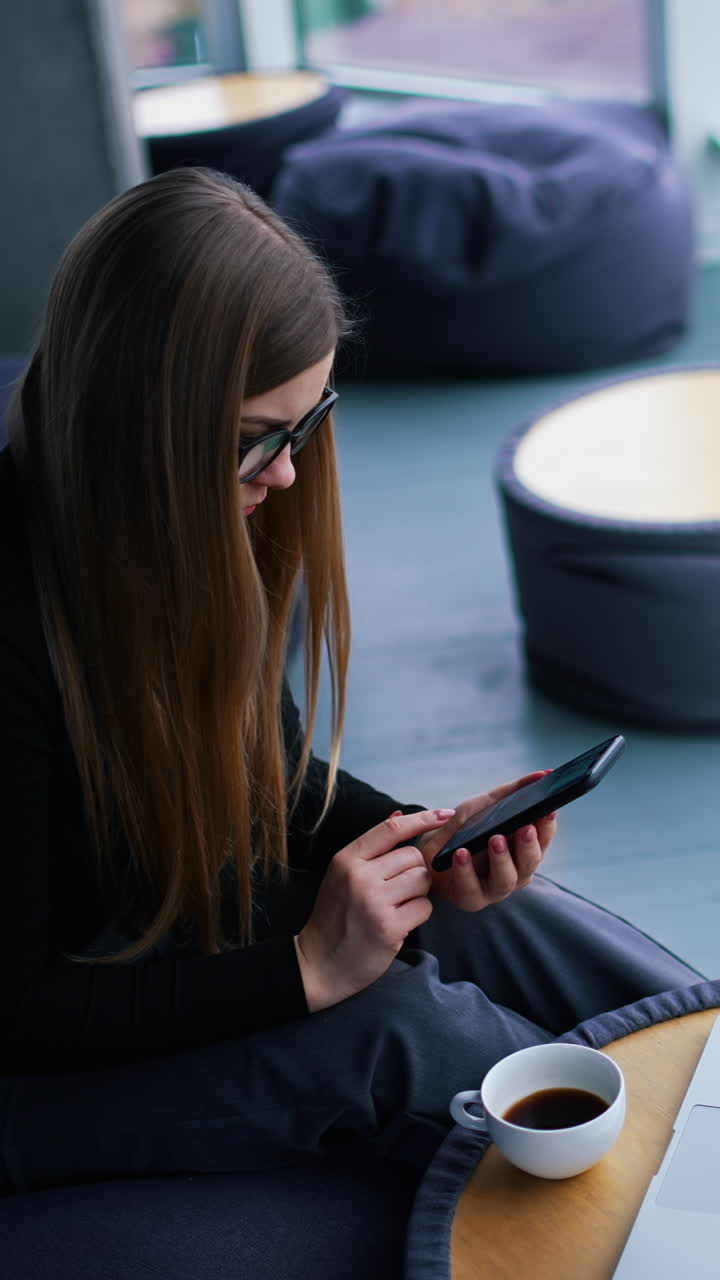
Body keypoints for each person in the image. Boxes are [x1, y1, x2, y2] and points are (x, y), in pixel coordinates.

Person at [0, 167, 702, 1195]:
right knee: (392, 1032)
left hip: (142, 927)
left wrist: (429, 835)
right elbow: (18, 1006)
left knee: (502, 912)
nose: (285, 472)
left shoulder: (179, 520)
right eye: (253, 440)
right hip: (30, 1059)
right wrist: (308, 969)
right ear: (135, 421)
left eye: (304, 423)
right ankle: (671, 1202)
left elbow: (272, 780)